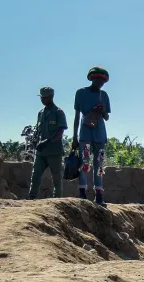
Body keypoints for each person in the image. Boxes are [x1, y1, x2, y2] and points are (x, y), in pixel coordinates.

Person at [72, 66, 111, 206]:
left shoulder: (104, 95)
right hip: (85, 134)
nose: (100, 84)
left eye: (102, 82)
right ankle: (82, 192)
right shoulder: (81, 93)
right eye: (98, 81)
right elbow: (77, 116)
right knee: (85, 163)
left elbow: (106, 117)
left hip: (100, 136)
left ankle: (99, 194)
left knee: (99, 165)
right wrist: (74, 137)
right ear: (92, 79)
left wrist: (103, 110)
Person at [28, 86, 67, 199]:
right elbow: (38, 132)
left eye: (44, 98)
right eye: (41, 98)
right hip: (41, 152)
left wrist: (47, 142)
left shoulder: (59, 112)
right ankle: (31, 198)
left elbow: (60, 133)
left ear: (51, 97)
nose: (42, 100)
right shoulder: (40, 113)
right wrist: (36, 142)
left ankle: (58, 202)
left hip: (54, 152)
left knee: (56, 179)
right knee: (35, 176)